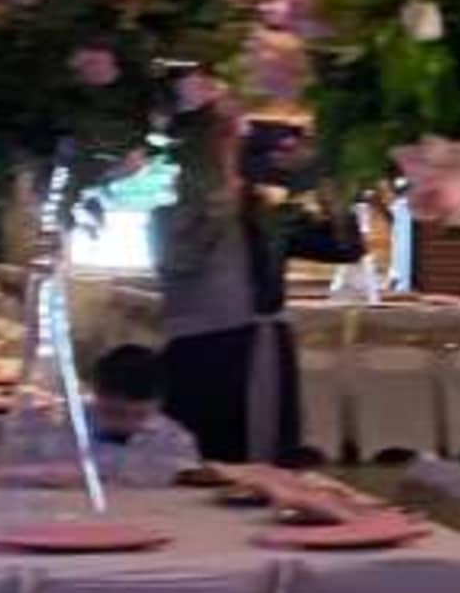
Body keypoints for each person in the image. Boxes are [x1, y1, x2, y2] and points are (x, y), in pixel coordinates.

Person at [156, 121, 311, 463]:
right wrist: (224, 182)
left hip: (265, 346)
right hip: (205, 351)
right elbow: (185, 257)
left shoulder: (270, 216)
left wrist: (321, 184)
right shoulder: (168, 218)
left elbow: (345, 247)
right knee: (200, 458)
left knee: (264, 462)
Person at [86, 343, 201, 488]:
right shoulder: (62, 430)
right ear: (96, 394)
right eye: (115, 413)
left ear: (159, 404)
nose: (128, 424)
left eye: (141, 415)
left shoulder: (175, 439)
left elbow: (186, 478)